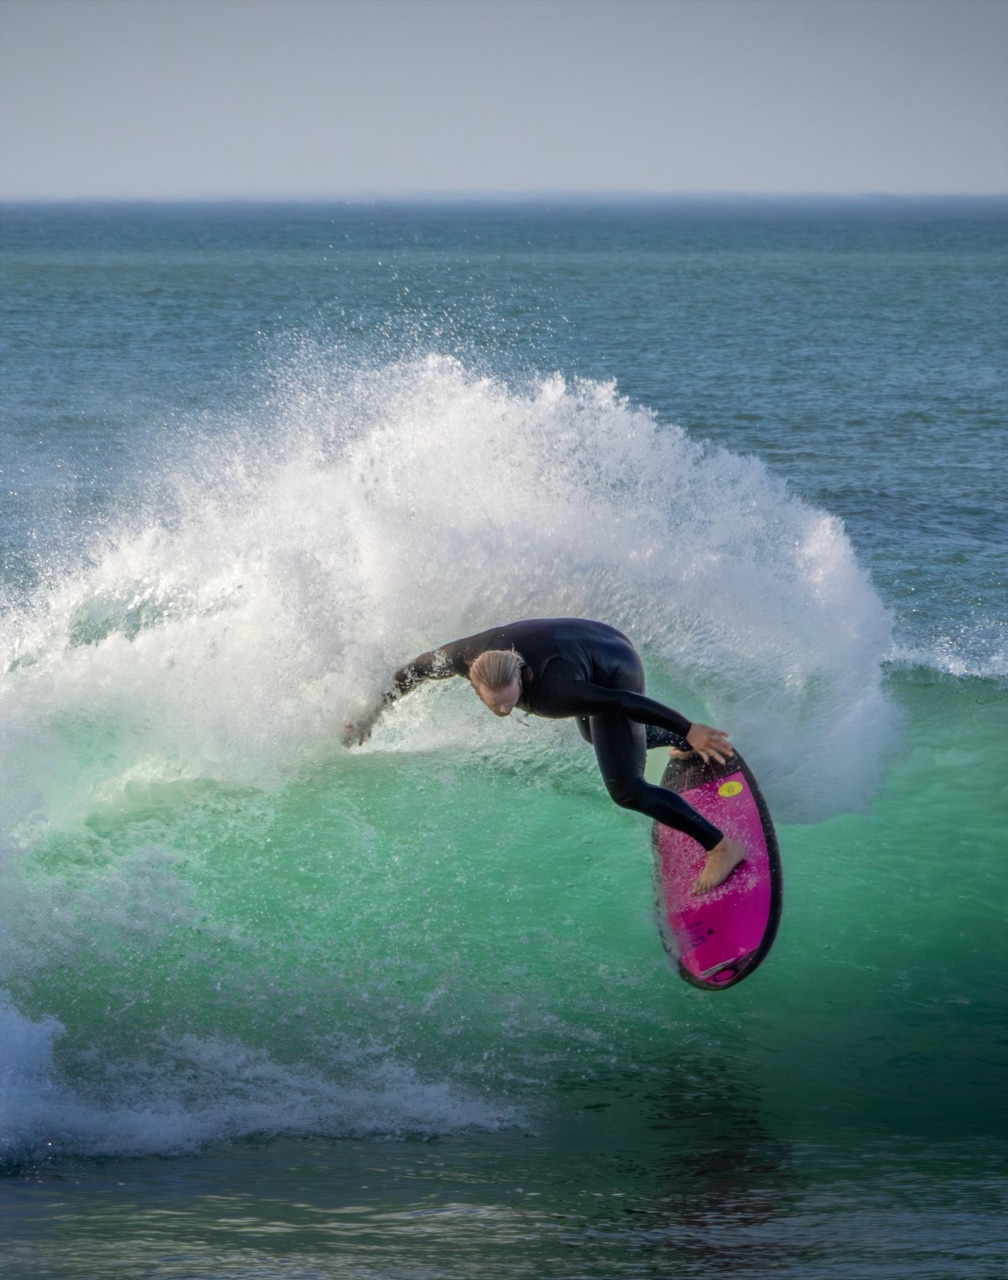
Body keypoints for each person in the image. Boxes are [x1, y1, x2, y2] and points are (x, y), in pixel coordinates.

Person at [345, 618, 745, 894]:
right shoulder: (462, 658)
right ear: (473, 682)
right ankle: (686, 747)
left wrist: (687, 726)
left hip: (613, 667)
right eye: (495, 707)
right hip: (591, 641)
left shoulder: (555, 694)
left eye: (510, 703)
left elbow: (623, 701)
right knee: (596, 736)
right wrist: (369, 716)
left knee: (626, 788)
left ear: (521, 677)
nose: (504, 713)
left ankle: (720, 846)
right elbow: (409, 673)